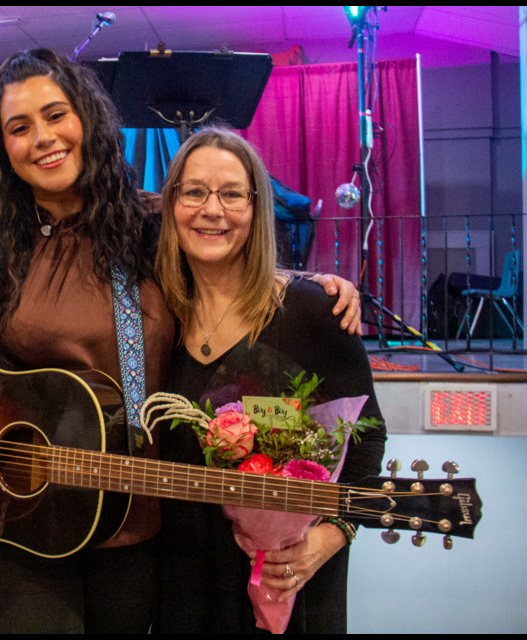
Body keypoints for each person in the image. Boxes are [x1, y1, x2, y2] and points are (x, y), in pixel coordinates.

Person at [0, 48, 362, 634]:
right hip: (22, 520)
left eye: (55, 115)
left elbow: (221, 258)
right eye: (19, 127)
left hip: (133, 514)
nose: (42, 137)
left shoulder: (145, 226)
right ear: (3, 149)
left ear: (88, 121)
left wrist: (309, 285)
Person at [153, 128, 387, 634]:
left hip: (288, 584)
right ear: (171, 205)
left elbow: (367, 442)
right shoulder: (156, 322)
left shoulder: (313, 312)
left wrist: (327, 539)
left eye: (232, 193)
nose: (211, 210)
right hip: (181, 588)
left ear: (257, 207)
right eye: (194, 192)